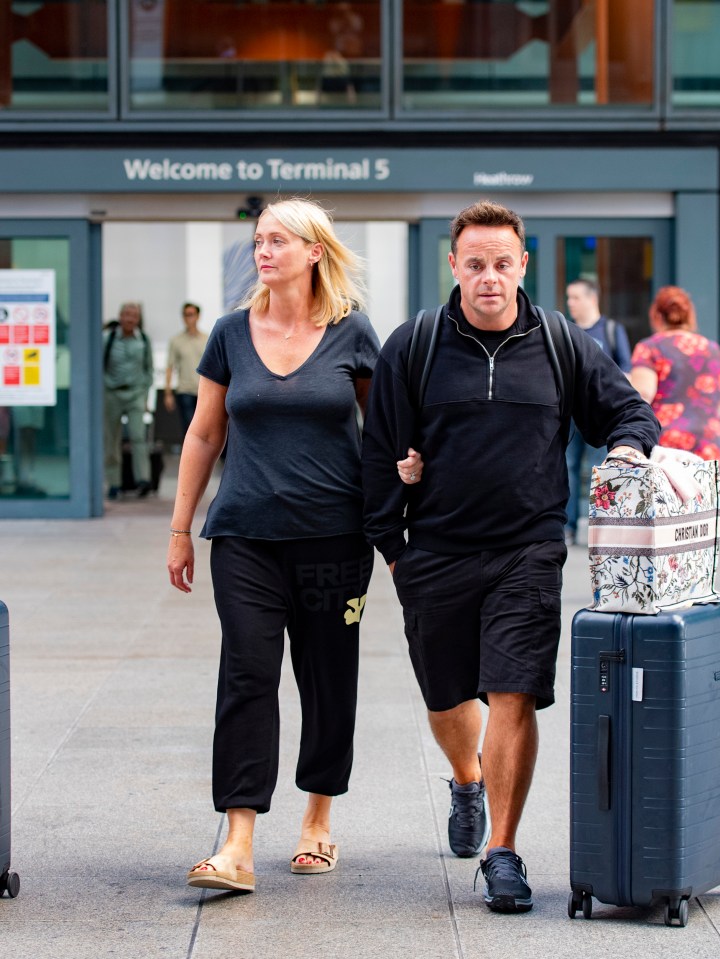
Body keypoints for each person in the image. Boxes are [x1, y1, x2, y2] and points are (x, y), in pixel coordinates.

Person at [361, 200, 659, 914]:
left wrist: (623, 450)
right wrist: (396, 552)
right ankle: (467, 775)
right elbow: (378, 452)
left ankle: (502, 848)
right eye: (475, 264)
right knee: (447, 696)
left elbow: (629, 411)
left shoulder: (560, 341)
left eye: (502, 263)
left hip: (528, 549)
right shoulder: (417, 344)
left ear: (522, 264)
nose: (488, 277)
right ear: (454, 266)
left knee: (512, 691)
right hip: (434, 551)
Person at [167, 198, 422, 895]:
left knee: (325, 676)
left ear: (315, 250)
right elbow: (203, 434)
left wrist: (400, 498)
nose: (263, 249)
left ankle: (317, 818)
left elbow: (383, 433)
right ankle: (238, 839)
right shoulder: (228, 333)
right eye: (258, 239)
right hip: (245, 535)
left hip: (335, 540)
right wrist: (180, 526)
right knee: (247, 674)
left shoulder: (352, 332)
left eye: (278, 239)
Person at [630, 286, 720, 470]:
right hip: (707, 439)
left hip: (666, 442)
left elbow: (643, 394)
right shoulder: (713, 349)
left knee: (665, 497)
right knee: (706, 496)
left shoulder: (650, 347)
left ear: (657, 315)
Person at [563, 278, 632, 545]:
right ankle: (567, 529)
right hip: (569, 416)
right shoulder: (566, 331)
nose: (571, 303)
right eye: (569, 298)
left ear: (592, 299)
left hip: (600, 415)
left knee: (598, 471)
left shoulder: (612, 330)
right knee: (566, 469)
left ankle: (598, 529)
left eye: (576, 297)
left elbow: (625, 371)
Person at [103, 302, 154, 499]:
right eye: (126, 314)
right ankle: (114, 482)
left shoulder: (143, 340)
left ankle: (143, 480)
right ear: (120, 316)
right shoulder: (107, 339)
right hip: (112, 394)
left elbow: (148, 368)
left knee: (138, 436)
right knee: (112, 439)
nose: (130, 319)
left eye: (134, 315)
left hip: (135, 394)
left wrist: (144, 392)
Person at [164, 302, 208, 437]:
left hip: (204, 391)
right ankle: (193, 458)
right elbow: (170, 367)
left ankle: (206, 458)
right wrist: (168, 393)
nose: (189, 318)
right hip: (185, 391)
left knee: (206, 428)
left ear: (198, 316)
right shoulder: (176, 341)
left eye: (191, 314)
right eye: (186, 315)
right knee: (189, 429)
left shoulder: (207, 339)